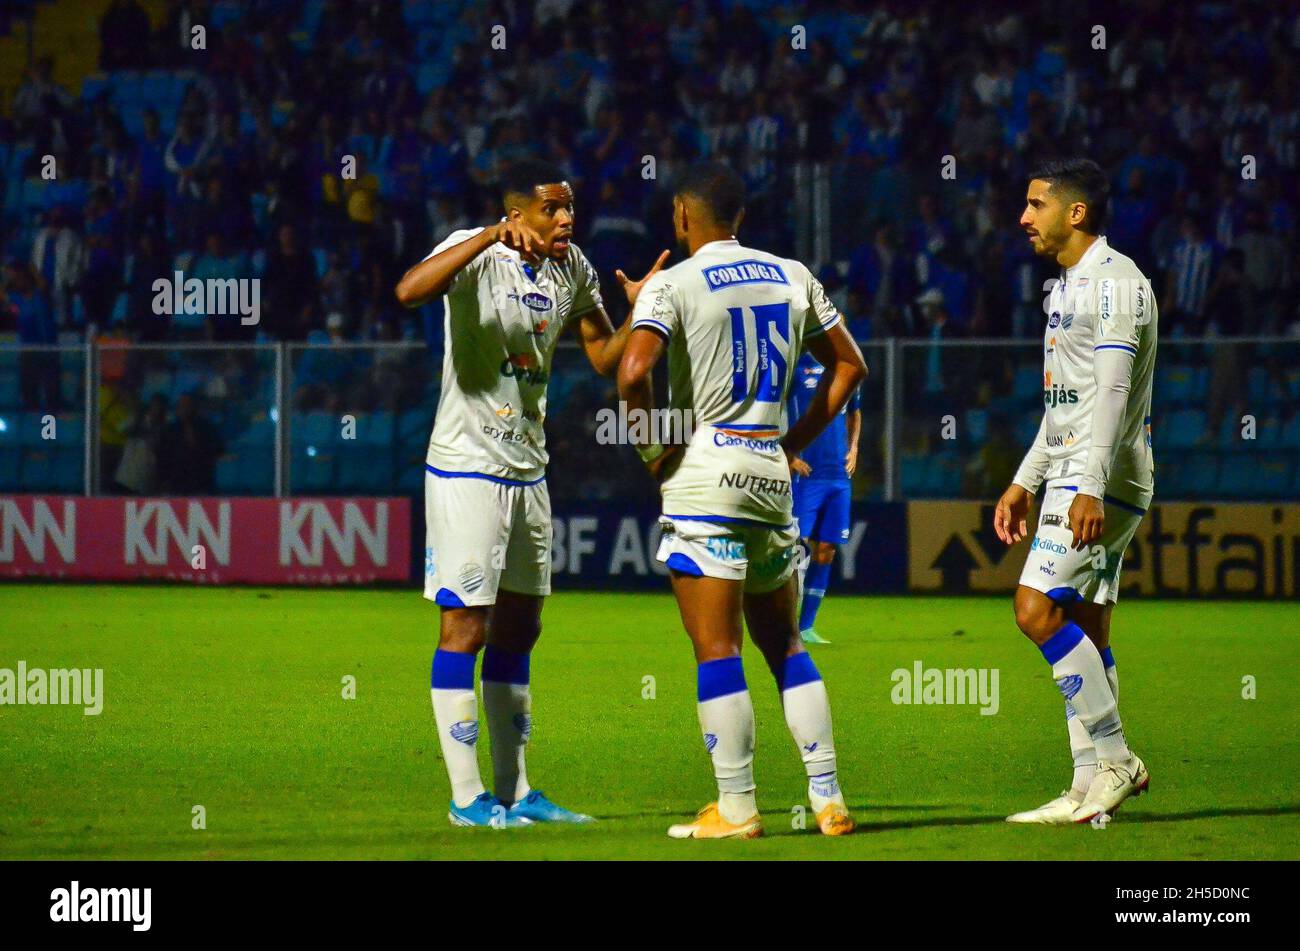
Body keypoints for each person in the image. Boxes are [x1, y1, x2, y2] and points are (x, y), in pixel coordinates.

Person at [394, 158, 668, 828]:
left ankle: (517, 790)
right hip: (466, 467)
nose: (567, 218)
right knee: (466, 624)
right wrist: (489, 236)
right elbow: (408, 291)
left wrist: (641, 313)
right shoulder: (473, 251)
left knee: (521, 626)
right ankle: (465, 797)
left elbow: (605, 357)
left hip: (530, 468)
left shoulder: (572, 266)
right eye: (552, 208)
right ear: (517, 212)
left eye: (570, 206)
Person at [617, 161, 867, 840]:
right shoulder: (791, 272)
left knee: (717, 647)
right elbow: (851, 365)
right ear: (742, 219)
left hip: (705, 469)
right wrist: (797, 434)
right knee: (784, 642)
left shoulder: (672, 282)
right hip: (769, 468)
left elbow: (633, 371)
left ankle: (736, 807)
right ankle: (829, 798)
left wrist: (652, 449)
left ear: (680, 218)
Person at [995, 158, 1157, 825]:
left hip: (1101, 478)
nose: (1024, 217)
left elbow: (1114, 395)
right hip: (1073, 473)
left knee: (1035, 608)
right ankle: (1088, 788)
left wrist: (1087, 486)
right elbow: (1066, 402)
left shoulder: (1116, 283)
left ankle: (1116, 757)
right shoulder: (1067, 288)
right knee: (1085, 624)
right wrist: (1024, 478)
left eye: (1036, 204)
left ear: (1076, 212)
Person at [787, 349, 862, 644]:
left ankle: (806, 626)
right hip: (807, 475)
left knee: (827, 550)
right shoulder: (796, 368)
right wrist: (788, 453)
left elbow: (855, 412)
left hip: (838, 477)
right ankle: (785, 623)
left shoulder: (848, 372)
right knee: (798, 549)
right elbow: (771, 411)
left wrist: (854, 447)